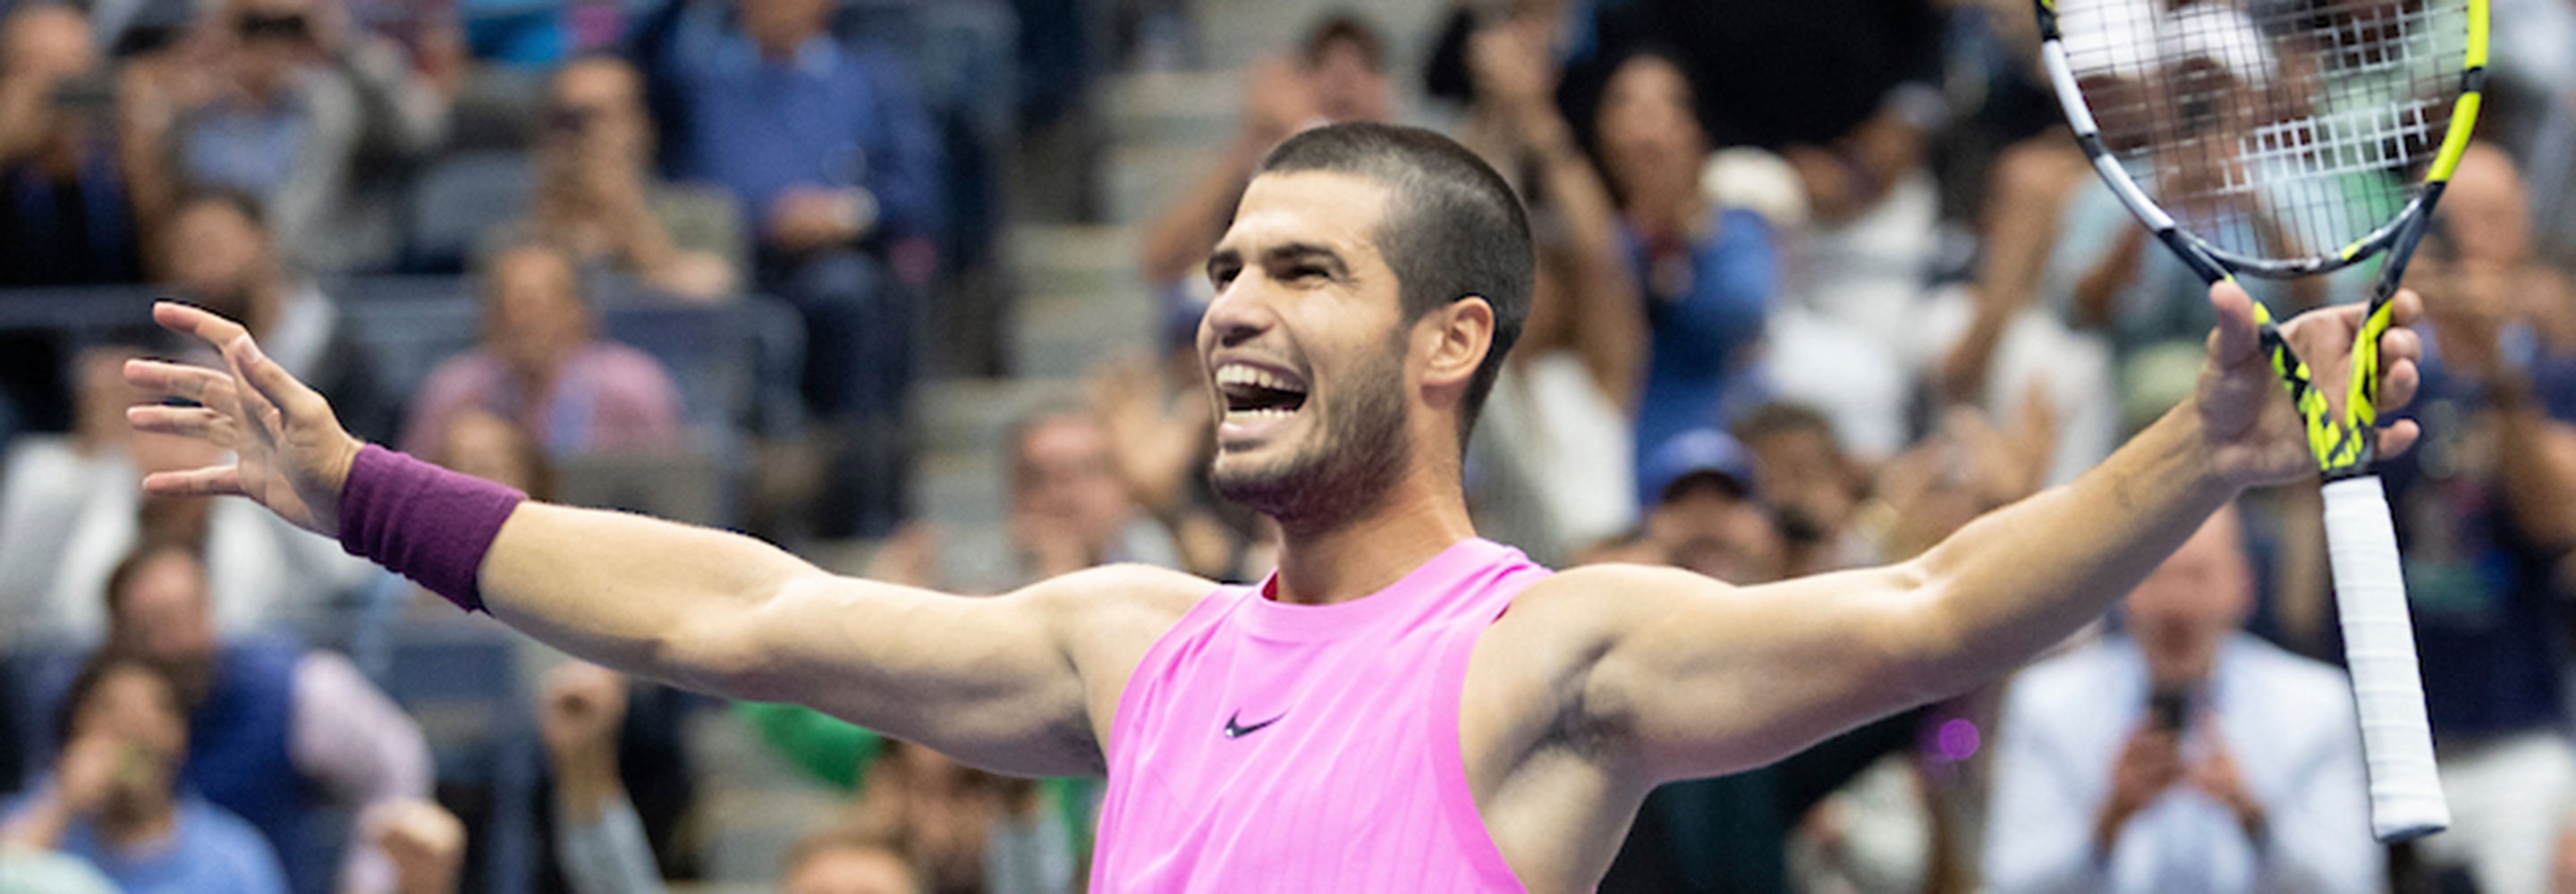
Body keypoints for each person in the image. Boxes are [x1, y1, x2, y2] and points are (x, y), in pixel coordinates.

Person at [123, 122, 2425, 892]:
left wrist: (2204, 453)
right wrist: (360, 489)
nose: (1229, 297)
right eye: (1225, 261)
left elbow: (1925, 608)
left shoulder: (1550, 651)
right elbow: (726, 610)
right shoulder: (1129, 644)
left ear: (1449, 339)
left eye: (1302, 268)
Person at [1982, 508, 2381, 892]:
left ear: (2242, 584)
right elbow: (2008, 882)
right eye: (2156, 575)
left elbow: (2353, 885)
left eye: (2197, 576)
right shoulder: (2047, 704)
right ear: (2121, 589)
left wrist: (2255, 820)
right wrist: (2107, 823)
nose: (2176, 604)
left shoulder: (2317, 706)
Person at [96, 541, 433, 894]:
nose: (183, 640)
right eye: (156, 625)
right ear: (118, 635)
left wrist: (371, 882)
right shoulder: (87, 710)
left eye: (192, 614)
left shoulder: (294, 688)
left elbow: (397, 762)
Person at [157, 0, 453, 274]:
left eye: (285, 28)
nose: (267, 43)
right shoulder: (192, 111)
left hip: (326, 282)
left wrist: (343, 41)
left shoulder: (334, 103)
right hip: (222, 283)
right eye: (252, 27)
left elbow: (423, 131)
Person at [1, 654, 289, 894]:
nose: (133, 727)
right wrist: (60, 805)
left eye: (154, 711)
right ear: (74, 731)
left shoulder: (235, 857)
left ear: (182, 737)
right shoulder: (25, 823)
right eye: (110, 710)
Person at [399, 241, 687, 458]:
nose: (521, 320)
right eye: (508, 305)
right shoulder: (452, 394)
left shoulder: (632, 390)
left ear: (577, 312)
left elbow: (671, 499)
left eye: (535, 304)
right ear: (489, 317)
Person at [490, 55, 742, 300]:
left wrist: (627, 216)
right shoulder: (512, 239)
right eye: (566, 120)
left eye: (598, 117)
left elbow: (714, 296)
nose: (582, 136)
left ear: (641, 126)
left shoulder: (701, 213)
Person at [159, 190, 395, 443]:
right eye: (185, 251)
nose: (200, 266)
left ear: (264, 240)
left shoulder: (341, 359)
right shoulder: (178, 365)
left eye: (211, 244)